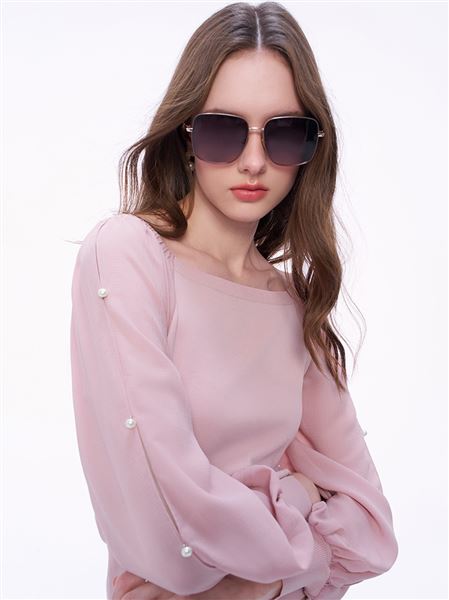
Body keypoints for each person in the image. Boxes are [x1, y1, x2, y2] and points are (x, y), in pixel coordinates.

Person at [69, 2, 399, 599]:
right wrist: (296, 495)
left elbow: (370, 531)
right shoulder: (128, 255)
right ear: (186, 134)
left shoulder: (295, 304)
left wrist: (256, 583)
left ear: (311, 148)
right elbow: (170, 540)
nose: (253, 161)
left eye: (284, 133)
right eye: (224, 130)